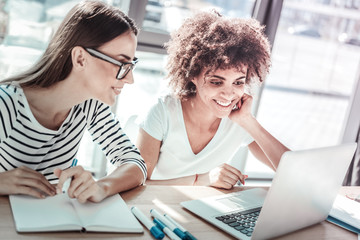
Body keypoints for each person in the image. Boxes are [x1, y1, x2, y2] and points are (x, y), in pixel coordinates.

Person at [0, 0, 146, 203]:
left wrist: (101, 187)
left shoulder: (90, 106)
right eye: (122, 64)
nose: (130, 79)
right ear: (80, 59)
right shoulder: (6, 105)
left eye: (131, 65)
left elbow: (136, 164)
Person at [136, 11, 290, 189]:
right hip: (155, 210)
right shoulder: (163, 111)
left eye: (238, 82)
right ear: (193, 74)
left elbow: (293, 173)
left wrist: (248, 121)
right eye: (216, 82)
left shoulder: (239, 120)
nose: (228, 94)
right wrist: (201, 180)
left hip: (203, 209)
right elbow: (138, 185)